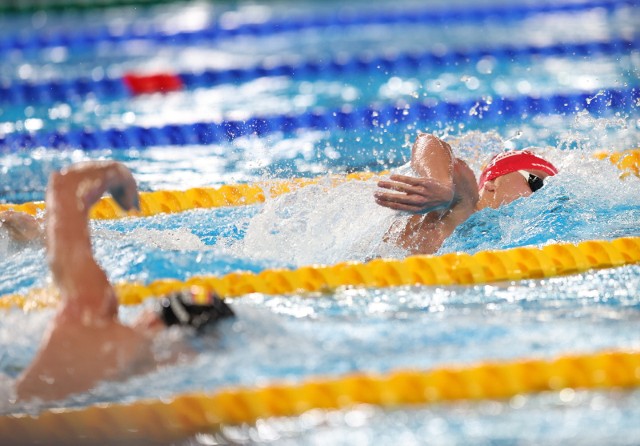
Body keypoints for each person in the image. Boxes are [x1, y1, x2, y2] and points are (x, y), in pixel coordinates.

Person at [14, 161, 233, 402]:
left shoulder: (95, 314)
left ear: (151, 318)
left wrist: (117, 173)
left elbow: (65, 186)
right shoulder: (152, 396)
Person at [375, 133, 558, 254]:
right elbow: (429, 141)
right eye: (536, 182)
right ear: (492, 183)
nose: (542, 196)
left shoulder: (502, 236)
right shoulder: (465, 205)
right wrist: (441, 184)